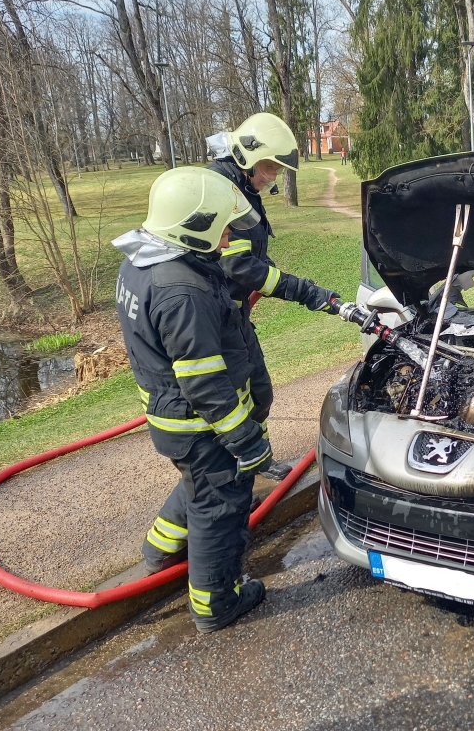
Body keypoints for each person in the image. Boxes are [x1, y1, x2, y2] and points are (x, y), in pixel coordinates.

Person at [113, 168, 273, 633]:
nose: (228, 236)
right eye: (222, 226)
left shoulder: (142, 260)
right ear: (192, 226)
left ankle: (159, 549)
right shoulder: (183, 290)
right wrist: (246, 441)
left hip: (174, 420)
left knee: (199, 486)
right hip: (200, 424)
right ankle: (216, 603)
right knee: (220, 506)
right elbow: (204, 383)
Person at [207, 113, 340, 478]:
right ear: (246, 157)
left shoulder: (242, 188)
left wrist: (285, 277)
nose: (273, 176)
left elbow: (255, 258)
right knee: (233, 402)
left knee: (260, 392)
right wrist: (305, 292)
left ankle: (260, 464)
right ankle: (234, 478)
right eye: (269, 167)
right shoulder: (221, 190)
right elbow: (240, 267)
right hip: (213, 319)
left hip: (235, 315)